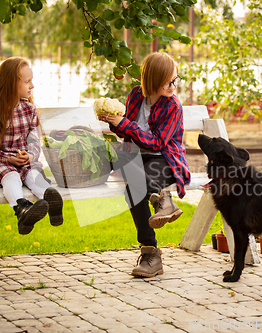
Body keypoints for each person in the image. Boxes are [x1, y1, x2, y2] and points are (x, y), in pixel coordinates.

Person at [99, 52, 191, 278]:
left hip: (164, 160)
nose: (174, 86)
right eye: (168, 81)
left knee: (134, 189)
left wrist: (126, 125)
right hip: (136, 158)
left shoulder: (173, 106)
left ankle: (150, 253)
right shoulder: (135, 95)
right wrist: (114, 121)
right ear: (151, 79)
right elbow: (126, 132)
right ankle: (162, 201)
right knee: (110, 156)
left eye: (176, 79)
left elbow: (158, 142)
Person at [0, 57, 63, 235]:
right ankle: (22, 210)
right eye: (27, 81)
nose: (32, 86)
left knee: (33, 175)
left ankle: (52, 203)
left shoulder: (29, 109)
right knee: (11, 176)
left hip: (24, 162)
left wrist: (30, 156)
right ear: (11, 84)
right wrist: (7, 158)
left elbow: (34, 141)